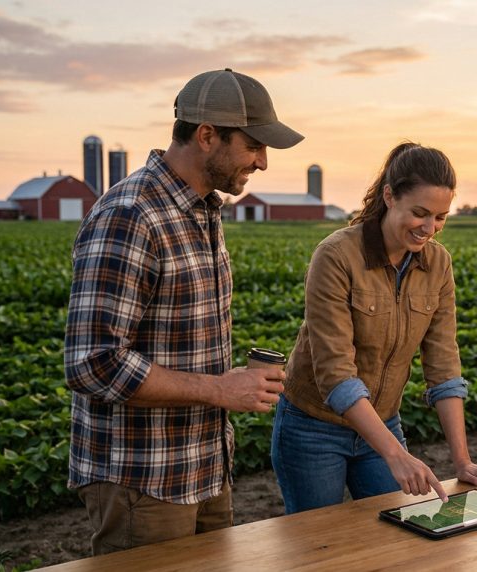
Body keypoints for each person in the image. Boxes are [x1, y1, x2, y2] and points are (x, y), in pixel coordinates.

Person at [64, 68, 303, 554]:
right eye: (254, 146)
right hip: (143, 479)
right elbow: (93, 364)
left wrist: (230, 386)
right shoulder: (131, 214)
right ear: (207, 135)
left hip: (205, 468)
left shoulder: (202, 210)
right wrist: (219, 389)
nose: (262, 162)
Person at [272, 142, 477, 513]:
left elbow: (444, 366)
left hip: (383, 422)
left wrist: (462, 461)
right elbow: (336, 374)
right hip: (314, 428)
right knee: (317, 539)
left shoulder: (438, 264)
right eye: (420, 213)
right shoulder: (336, 256)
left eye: (441, 217)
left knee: (402, 529)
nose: (430, 228)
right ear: (389, 196)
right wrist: (396, 455)